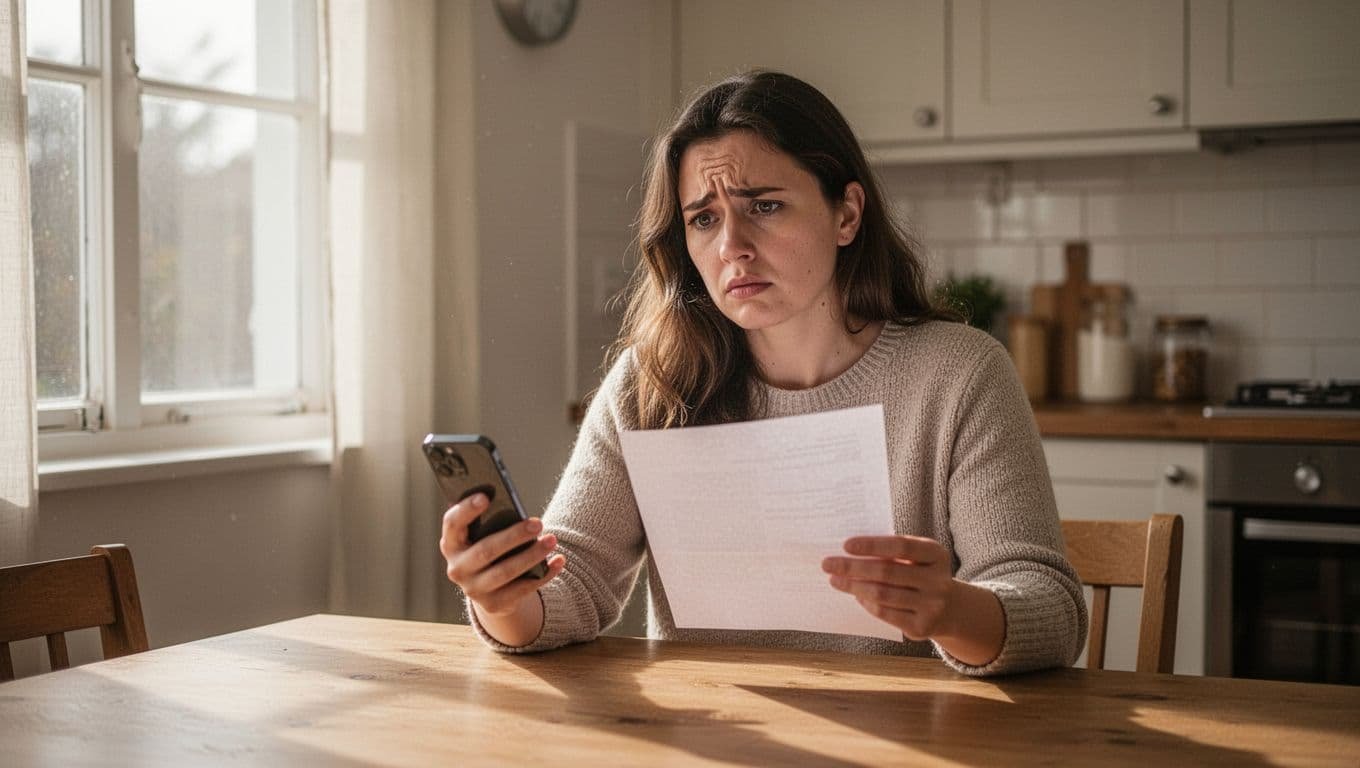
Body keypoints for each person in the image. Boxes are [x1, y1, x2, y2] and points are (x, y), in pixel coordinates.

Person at [440, 70, 1087, 675]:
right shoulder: (653, 382)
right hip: (710, 738)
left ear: (846, 214)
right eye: (704, 219)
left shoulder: (961, 374)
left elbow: (1051, 612)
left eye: (765, 206)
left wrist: (949, 609)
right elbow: (571, 583)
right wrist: (502, 595)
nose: (732, 247)